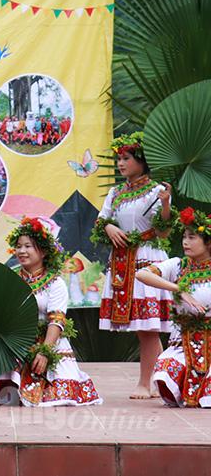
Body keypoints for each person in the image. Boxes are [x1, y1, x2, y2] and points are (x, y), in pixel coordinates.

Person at [0, 217, 101, 407]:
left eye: (28, 246)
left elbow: (56, 321)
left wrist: (45, 352)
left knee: (60, 393)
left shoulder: (55, 284)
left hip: (49, 341)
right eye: (19, 246)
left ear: (45, 251)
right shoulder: (9, 279)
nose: (21, 251)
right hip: (16, 342)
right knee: (7, 396)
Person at [94, 131, 174, 399]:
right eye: (119, 159)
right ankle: (162, 380)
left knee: (148, 327)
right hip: (121, 262)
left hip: (147, 260)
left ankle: (146, 382)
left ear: (142, 161)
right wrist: (109, 227)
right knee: (144, 328)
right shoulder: (115, 192)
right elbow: (100, 221)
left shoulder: (157, 191)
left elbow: (163, 232)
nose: (120, 164)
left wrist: (165, 204)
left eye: (126, 158)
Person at [137, 207, 211, 407]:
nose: (185, 242)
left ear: (208, 242)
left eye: (192, 237)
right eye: (184, 237)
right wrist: (178, 288)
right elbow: (142, 274)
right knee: (164, 370)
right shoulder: (177, 266)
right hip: (183, 343)